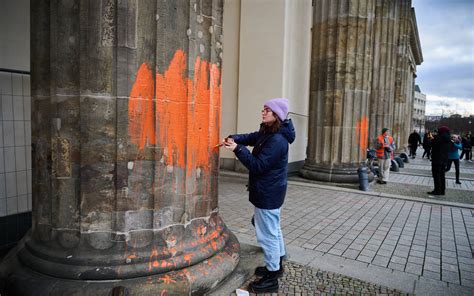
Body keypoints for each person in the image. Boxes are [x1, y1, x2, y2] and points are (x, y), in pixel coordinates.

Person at [221, 98, 295, 293]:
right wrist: (234, 138)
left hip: (268, 193)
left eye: (267, 110)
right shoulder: (270, 131)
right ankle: (276, 263)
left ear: (276, 115)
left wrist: (237, 149)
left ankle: (272, 277)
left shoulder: (278, 140)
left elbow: (258, 166)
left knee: (267, 234)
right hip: (272, 191)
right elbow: (252, 137)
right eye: (263, 109)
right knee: (273, 228)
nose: (263, 112)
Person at [428, 126, 451, 196]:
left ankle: (437, 190)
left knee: (436, 175)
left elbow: (432, 145)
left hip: (437, 159)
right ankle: (442, 190)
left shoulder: (438, 138)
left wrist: (431, 139)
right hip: (444, 160)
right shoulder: (448, 138)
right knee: (442, 175)